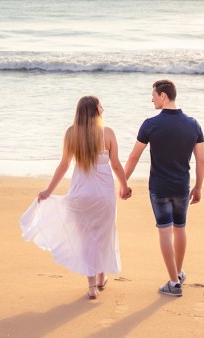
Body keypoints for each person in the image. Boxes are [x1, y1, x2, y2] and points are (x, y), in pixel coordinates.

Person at [20, 96, 133, 300]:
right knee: (103, 234)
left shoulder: (71, 133)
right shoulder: (107, 133)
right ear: (94, 111)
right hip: (103, 195)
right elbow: (116, 164)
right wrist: (125, 186)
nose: (103, 110)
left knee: (86, 238)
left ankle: (92, 287)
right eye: (101, 107)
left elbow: (63, 165)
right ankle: (101, 278)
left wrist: (48, 190)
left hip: (81, 193)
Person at [123, 79, 204, 297]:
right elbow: (201, 161)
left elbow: (133, 157)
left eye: (154, 95)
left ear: (163, 96)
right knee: (180, 228)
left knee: (164, 231)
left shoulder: (150, 124)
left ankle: (173, 282)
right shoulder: (193, 124)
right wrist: (198, 187)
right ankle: (178, 273)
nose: (151, 99)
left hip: (159, 188)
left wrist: (123, 183)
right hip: (181, 186)